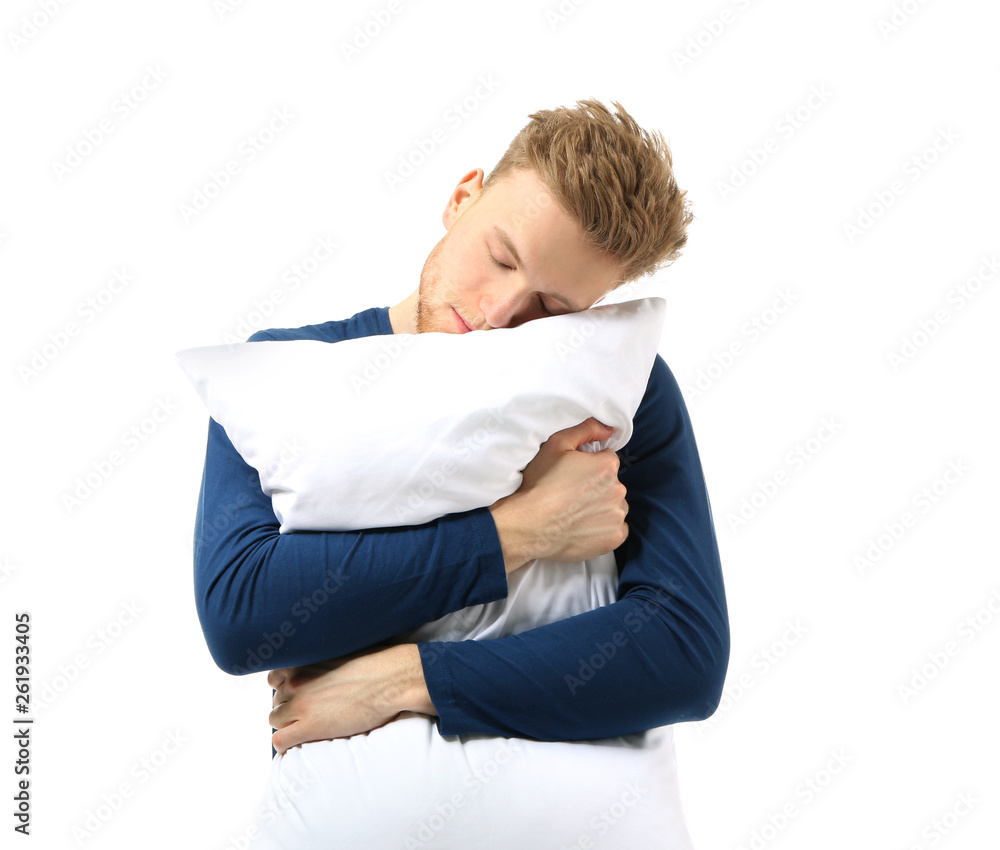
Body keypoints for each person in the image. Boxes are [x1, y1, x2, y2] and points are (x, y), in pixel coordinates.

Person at [193, 98, 729, 845]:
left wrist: (403, 682)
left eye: (551, 305)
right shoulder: (291, 371)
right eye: (502, 257)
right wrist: (520, 531)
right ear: (461, 197)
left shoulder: (617, 387)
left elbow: (684, 656)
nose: (501, 310)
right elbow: (243, 616)